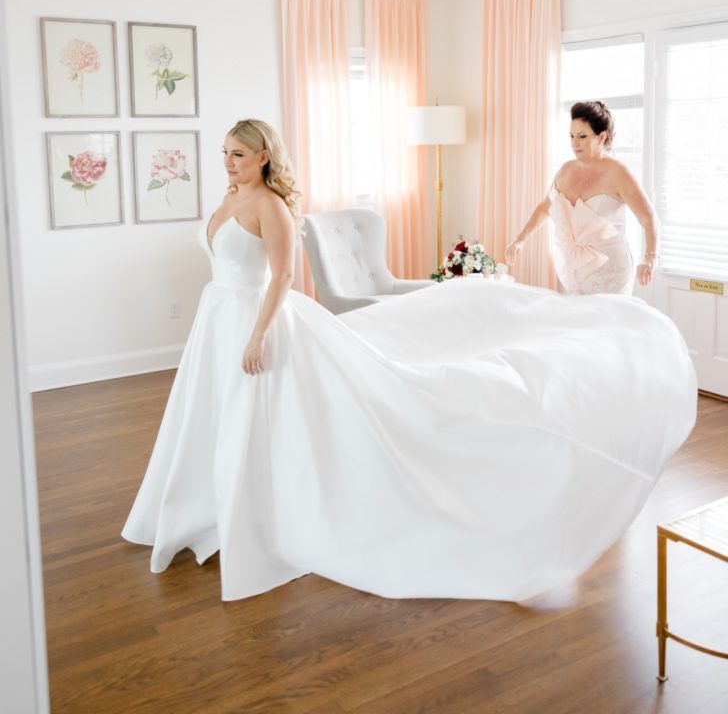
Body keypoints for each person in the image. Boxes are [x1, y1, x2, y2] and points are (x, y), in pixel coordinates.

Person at [122, 118, 694, 603]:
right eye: (224, 153)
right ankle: (209, 498)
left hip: (253, 320)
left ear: (264, 157)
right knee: (213, 413)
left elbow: (285, 276)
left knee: (272, 410)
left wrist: (256, 333)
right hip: (216, 318)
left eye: (238, 154)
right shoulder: (229, 199)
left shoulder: (269, 204)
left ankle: (261, 510)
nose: (227, 162)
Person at [505, 101, 659, 295]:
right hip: (576, 269)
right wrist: (520, 239)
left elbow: (649, 217)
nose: (574, 143)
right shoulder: (566, 170)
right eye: (571, 136)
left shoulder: (618, 173)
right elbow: (546, 207)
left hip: (611, 272)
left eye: (582, 136)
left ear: (601, 137)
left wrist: (650, 258)